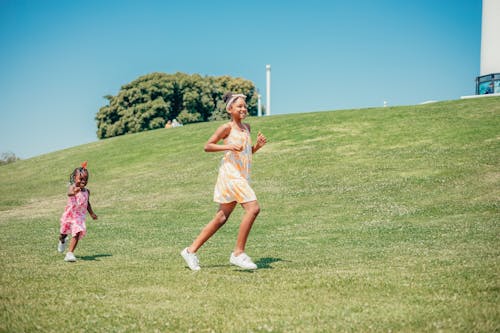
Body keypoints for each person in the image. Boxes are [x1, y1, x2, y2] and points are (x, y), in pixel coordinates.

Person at [181, 92, 267, 271]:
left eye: (244, 106)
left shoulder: (247, 128)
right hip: (230, 175)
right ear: (230, 109)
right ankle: (238, 253)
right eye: (239, 106)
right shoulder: (226, 128)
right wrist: (228, 146)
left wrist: (256, 147)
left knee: (221, 218)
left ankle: (190, 251)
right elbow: (207, 146)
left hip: (241, 176)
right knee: (253, 208)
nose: (243, 109)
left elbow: (245, 152)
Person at [57, 161, 98, 262]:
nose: (83, 181)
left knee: (77, 232)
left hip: (79, 217)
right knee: (63, 233)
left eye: (85, 179)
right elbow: (69, 193)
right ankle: (62, 240)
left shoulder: (87, 191)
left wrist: (92, 213)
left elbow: (87, 203)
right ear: (75, 178)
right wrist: (74, 191)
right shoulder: (73, 187)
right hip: (69, 215)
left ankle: (70, 253)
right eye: (81, 179)